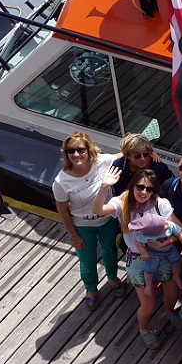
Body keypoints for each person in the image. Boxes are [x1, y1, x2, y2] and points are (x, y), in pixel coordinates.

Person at [93, 168, 182, 350]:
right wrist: (104, 187)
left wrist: (166, 242)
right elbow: (98, 210)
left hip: (163, 253)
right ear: (132, 185)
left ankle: (170, 311)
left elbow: (180, 230)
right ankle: (143, 328)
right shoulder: (122, 203)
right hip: (137, 257)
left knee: (172, 293)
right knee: (148, 305)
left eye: (149, 189)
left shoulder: (161, 204)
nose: (144, 192)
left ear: (155, 192)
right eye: (140, 187)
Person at [53, 132, 126, 311]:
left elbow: (125, 153)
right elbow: (62, 210)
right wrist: (73, 235)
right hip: (82, 226)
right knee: (87, 260)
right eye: (71, 151)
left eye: (80, 150)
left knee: (109, 250)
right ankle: (91, 290)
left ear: (89, 150)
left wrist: (149, 151)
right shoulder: (61, 182)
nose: (76, 154)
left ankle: (112, 277)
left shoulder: (102, 161)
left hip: (107, 220)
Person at [128, 213, 182, 302]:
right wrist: (143, 252)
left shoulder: (169, 225)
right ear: (154, 232)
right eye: (163, 226)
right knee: (149, 270)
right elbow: (137, 241)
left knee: (177, 261)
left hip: (170, 250)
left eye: (165, 222)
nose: (167, 224)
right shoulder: (147, 236)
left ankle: (176, 276)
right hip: (153, 254)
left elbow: (180, 233)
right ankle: (148, 285)